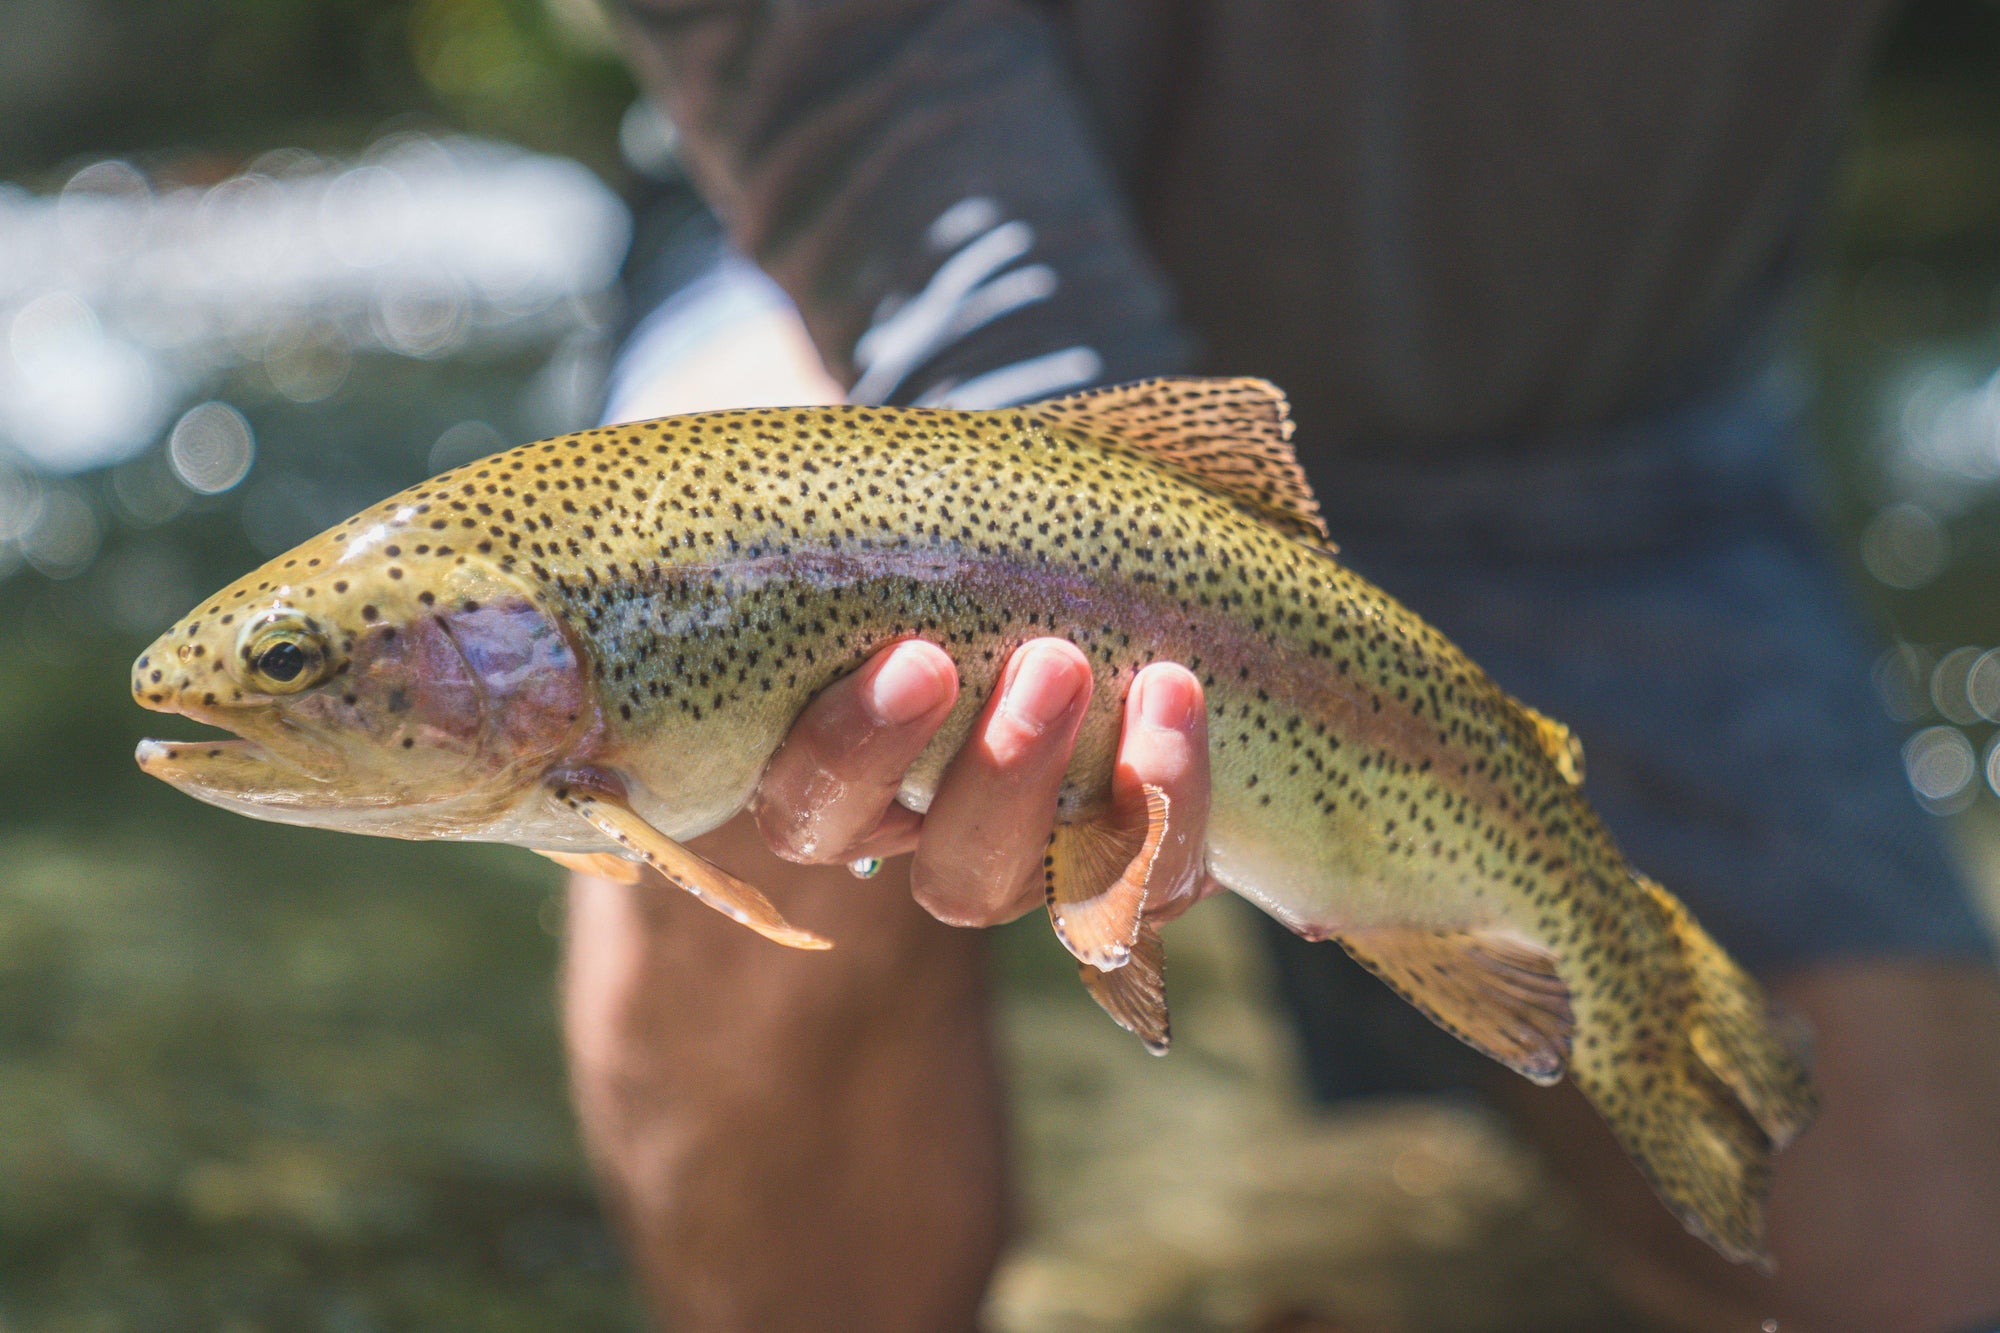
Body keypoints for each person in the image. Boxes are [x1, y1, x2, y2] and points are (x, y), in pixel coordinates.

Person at [560, 5, 2000, 1330]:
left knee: (1918, 1281)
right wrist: (1068, 495)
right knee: (709, 700)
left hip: (1597, 431)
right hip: (892, 291)